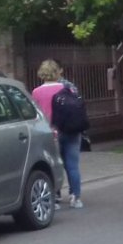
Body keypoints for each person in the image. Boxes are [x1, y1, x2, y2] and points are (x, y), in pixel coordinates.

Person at [31, 59, 85, 209]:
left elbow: (35, 114)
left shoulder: (36, 92)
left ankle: (54, 197)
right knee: (72, 166)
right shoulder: (68, 89)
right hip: (71, 130)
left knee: (53, 165)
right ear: (57, 72)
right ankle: (76, 197)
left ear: (42, 74)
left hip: (50, 133)